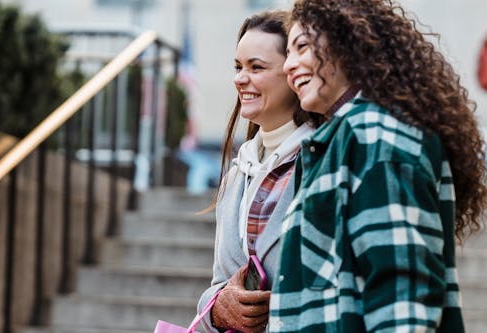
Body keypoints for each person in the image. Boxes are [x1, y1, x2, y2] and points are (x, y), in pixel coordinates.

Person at [269, 0, 487, 332]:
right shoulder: (339, 140)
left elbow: (402, 300)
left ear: (347, 42)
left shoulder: (377, 134)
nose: (289, 65)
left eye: (302, 46)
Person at [197, 10, 321, 333]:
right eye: (238, 67)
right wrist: (217, 308)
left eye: (256, 67)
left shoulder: (322, 161)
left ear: (293, 73)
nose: (240, 78)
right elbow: (220, 283)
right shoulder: (236, 175)